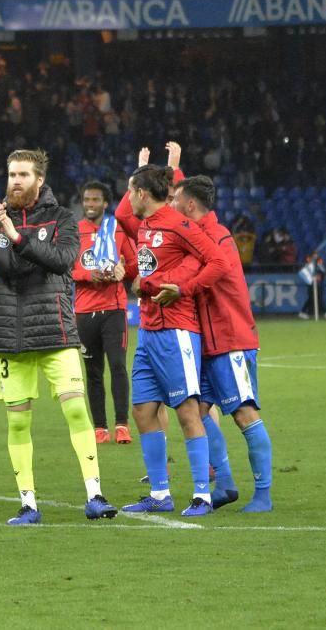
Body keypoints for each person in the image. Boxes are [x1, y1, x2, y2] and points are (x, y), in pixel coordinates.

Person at [0, 149, 117, 525]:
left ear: (39, 180)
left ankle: (95, 495)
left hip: (54, 331)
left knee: (77, 409)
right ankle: (28, 504)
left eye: (23, 175)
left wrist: (15, 237)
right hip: (8, 334)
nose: (15, 181)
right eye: (11, 174)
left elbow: (62, 260)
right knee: (17, 423)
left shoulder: (62, 217)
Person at [114, 164, 229, 517]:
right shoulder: (144, 225)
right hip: (148, 331)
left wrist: (182, 288)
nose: (128, 197)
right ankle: (160, 493)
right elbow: (121, 214)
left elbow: (218, 262)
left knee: (186, 411)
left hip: (177, 330)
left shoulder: (180, 225)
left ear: (142, 194)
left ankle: (201, 495)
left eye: (131, 190)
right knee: (143, 411)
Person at [169, 175, 274, 512]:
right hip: (207, 344)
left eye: (175, 200)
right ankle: (225, 483)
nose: (171, 206)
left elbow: (211, 273)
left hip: (231, 341)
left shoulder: (217, 237)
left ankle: (263, 495)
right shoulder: (198, 235)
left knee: (244, 415)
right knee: (195, 414)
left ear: (189, 205)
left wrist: (178, 287)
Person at [72, 180, 137, 444]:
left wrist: (124, 272)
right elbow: (66, 269)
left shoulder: (117, 230)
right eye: (86, 200)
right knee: (93, 371)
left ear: (105, 203)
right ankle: (100, 427)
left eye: (95, 200)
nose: (90, 205)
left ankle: (122, 425)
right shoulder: (75, 232)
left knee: (118, 366)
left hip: (114, 309)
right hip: (84, 311)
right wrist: (90, 274)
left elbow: (133, 266)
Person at [298, 252, 325, 320]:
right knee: (312, 298)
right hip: (311, 284)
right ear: (312, 256)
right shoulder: (309, 262)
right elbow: (306, 271)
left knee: (316, 297)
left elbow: (322, 271)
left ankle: (323, 312)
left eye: (316, 255)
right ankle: (303, 312)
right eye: (314, 255)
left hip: (317, 283)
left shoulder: (319, 262)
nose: (316, 256)